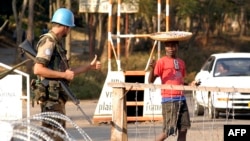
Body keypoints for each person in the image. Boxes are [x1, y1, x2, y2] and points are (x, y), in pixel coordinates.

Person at [33, 8, 101, 140]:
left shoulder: (56, 44)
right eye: (69, 27)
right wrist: (64, 76)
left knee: (55, 136)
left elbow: (67, 72)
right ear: (65, 27)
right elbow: (38, 69)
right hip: (51, 100)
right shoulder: (49, 42)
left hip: (56, 99)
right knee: (55, 136)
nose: (70, 31)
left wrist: (89, 67)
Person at [148, 40, 191, 141]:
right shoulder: (161, 62)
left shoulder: (181, 62)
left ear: (177, 47)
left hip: (182, 99)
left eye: (173, 46)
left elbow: (180, 82)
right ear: (165, 47)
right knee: (169, 130)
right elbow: (150, 81)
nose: (171, 48)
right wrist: (152, 69)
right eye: (168, 46)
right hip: (169, 99)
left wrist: (191, 84)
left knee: (183, 129)